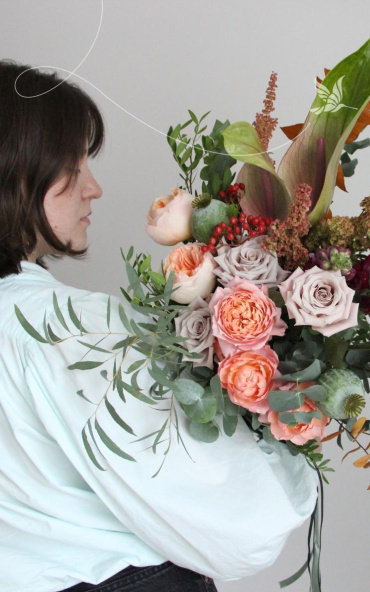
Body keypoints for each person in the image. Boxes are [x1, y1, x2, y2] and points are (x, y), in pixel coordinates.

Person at [0, 61, 318, 592]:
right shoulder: (70, 329)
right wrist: (290, 425)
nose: (94, 188)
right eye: (71, 166)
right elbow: (245, 527)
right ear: (13, 170)